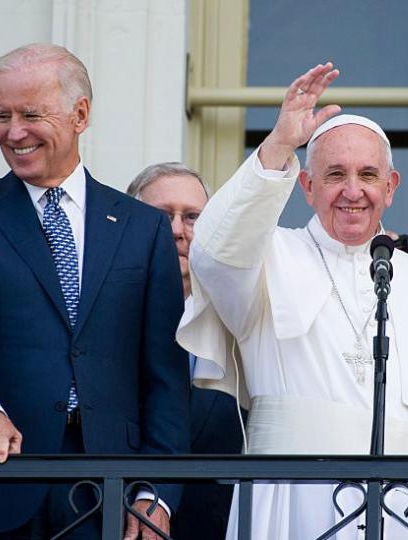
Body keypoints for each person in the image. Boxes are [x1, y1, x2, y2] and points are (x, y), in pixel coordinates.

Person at [177, 63, 408, 539]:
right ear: (307, 187)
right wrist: (278, 146)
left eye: (367, 175)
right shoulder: (266, 259)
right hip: (292, 509)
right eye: (334, 174)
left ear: (389, 188)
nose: (353, 191)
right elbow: (212, 251)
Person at [0, 43, 189, 539]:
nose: (14, 132)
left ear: (80, 114)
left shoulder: (142, 228)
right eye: (3, 115)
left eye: (31, 114)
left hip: (108, 488)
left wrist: (156, 492)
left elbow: (165, 375)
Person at [127, 162, 244, 538]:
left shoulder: (244, 318)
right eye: (161, 217)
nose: (177, 230)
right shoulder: (102, 320)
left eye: (192, 217)